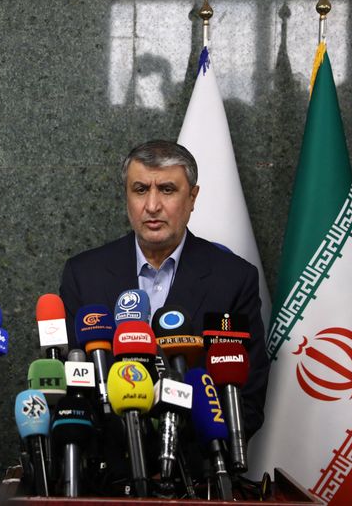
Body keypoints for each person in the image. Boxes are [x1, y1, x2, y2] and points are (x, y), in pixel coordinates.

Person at [60, 140, 269, 437]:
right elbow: (71, 387)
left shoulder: (234, 279)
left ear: (193, 197)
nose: (153, 206)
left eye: (168, 190)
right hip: (106, 474)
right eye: (141, 189)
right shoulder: (83, 275)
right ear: (127, 197)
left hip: (198, 473)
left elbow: (246, 400)